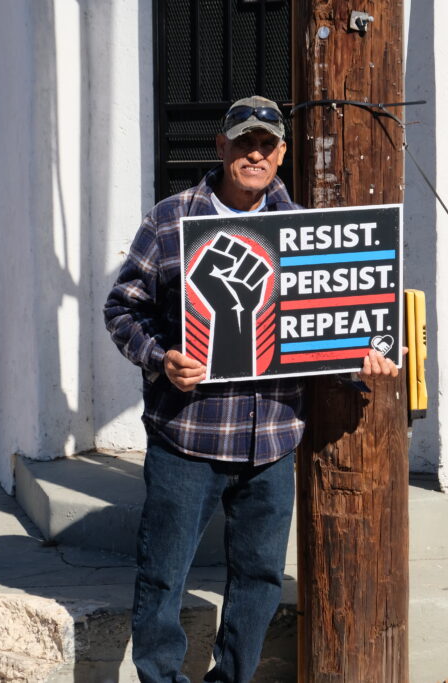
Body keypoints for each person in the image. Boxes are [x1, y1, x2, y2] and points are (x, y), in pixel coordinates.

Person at [104, 95, 400, 683]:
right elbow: (123, 309)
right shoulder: (171, 219)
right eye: (243, 141)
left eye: (267, 143)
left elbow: (323, 329)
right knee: (163, 573)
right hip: (187, 435)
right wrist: (162, 358)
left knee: (261, 577)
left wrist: (364, 360)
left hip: (272, 439)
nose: (255, 153)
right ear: (221, 147)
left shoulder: (307, 232)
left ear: (283, 154)